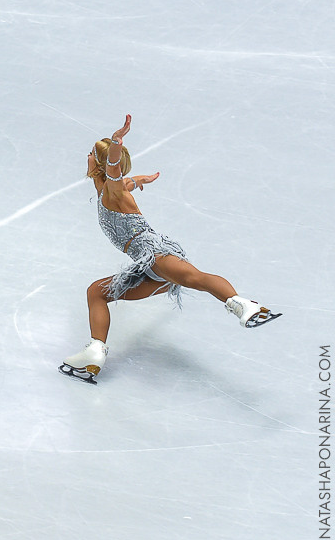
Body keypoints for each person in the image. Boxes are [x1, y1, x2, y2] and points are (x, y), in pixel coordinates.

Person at [59, 114, 280, 384]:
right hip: (147, 269)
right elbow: (118, 180)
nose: (88, 156)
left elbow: (115, 171)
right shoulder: (107, 188)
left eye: (91, 154)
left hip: (155, 253)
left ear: (101, 163)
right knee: (97, 292)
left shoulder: (112, 189)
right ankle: (94, 352)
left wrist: (117, 141)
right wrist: (140, 180)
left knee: (195, 278)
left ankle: (243, 305)